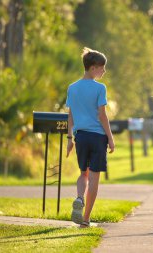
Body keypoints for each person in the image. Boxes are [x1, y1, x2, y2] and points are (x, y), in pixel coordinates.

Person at [66, 47, 115, 228]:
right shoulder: (100, 88)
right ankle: (86, 219)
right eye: (102, 68)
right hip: (97, 137)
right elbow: (102, 116)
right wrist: (110, 138)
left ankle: (79, 198)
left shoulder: (72, 88)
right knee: (94, 177)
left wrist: (69, 139)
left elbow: (70, 115)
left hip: (81, 137)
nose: (104, 71)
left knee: (83, 174)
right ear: (93, 67)